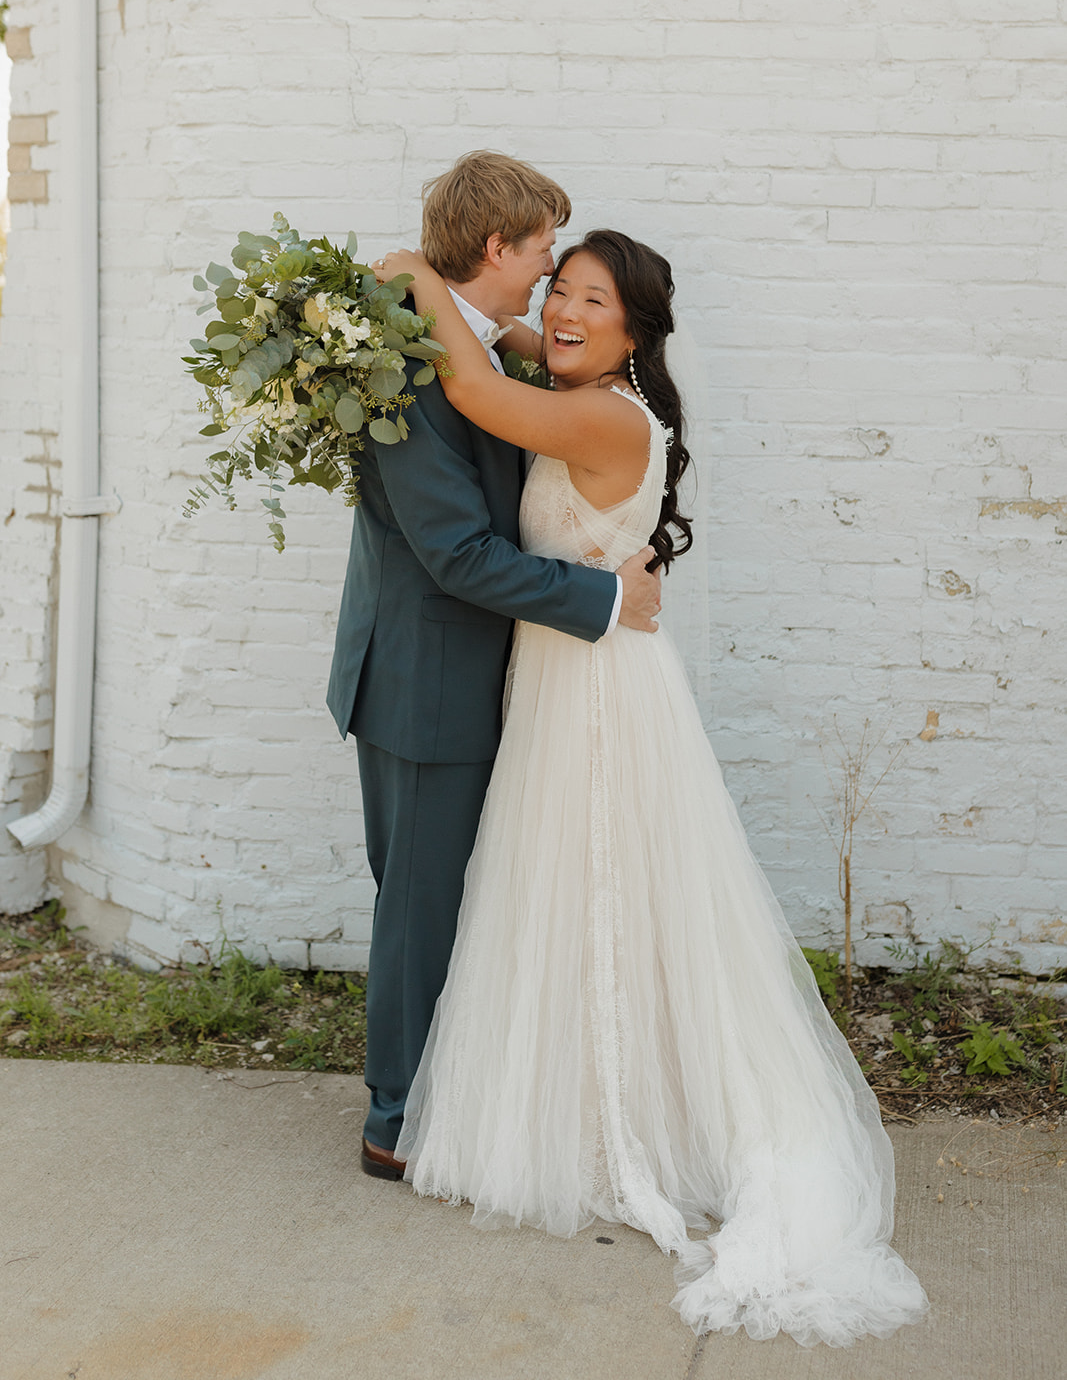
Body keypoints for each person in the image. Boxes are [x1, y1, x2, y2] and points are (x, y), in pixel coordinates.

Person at [371, 230, 929, 1348]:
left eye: (592, 302)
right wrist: (489, 306)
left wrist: (411, 275)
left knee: (597, 881)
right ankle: (585, 1083)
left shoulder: (602, 414)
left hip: (593, 690)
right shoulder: (589, 380)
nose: (564, 313)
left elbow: (475, 381)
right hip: (573, 670)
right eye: (558, 289)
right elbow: (509, 339)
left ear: (635, 332)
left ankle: (620, 1111)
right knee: (571, 888)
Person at [326, 155, 661, 1182]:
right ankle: (395, 1119)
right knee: (421, 904)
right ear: (494, 249)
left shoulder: (477, 351)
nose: (549, 282)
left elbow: (500, 363)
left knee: (462, 899)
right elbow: (457, 555)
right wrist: (608, 599)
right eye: (544, 257)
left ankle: (461, 1088)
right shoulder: (418, 366)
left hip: (486, 680)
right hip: (424, 685)